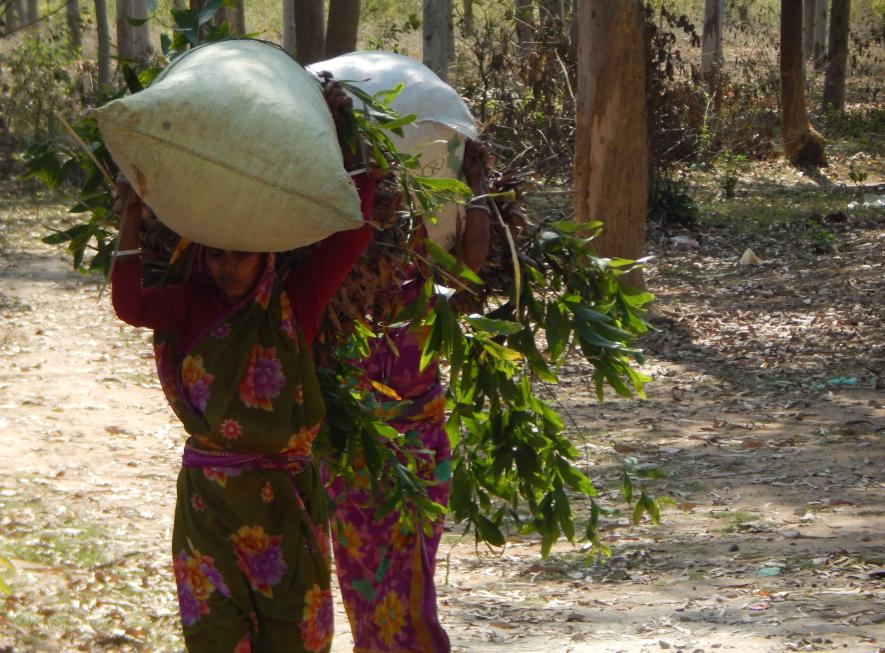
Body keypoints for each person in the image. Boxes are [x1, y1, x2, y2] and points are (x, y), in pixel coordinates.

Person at [111, 81, 373, 653]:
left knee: (293, 636)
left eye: (242, 254)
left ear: (268, 255)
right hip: (211, 504)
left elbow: (354, 231)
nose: (229, 267)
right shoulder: (190, 301)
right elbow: (130, 305)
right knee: (217, 634)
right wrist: (131, 213)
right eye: (219, 254)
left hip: (285, 501)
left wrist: (338, 137)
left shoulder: (291, 307)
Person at [326, 139, 491, 653]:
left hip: (419, 448)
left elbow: (472, 263)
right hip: (356, 453)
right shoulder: (338, 280)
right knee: (366, 583)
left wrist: (477, 188)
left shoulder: (423, 273)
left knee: (409, 577)